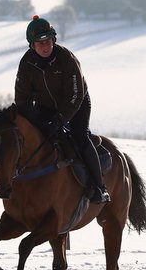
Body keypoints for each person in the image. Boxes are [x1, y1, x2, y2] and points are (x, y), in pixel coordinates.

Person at [14, 15, 110, 204]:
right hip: (46, 106)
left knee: (79, 136)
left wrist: (60, 121)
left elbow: (75, 96)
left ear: (54, 40)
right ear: (31, 45)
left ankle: (100, 188)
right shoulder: (26, 63)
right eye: (40, 43)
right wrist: (30, 121)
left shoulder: (67, 59)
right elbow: (22, 99)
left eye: (48, 41)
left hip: (77, 103)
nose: (45, 46)